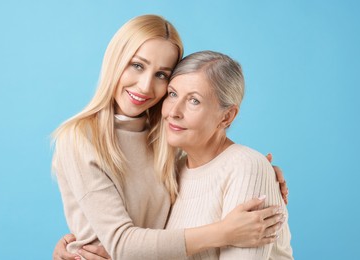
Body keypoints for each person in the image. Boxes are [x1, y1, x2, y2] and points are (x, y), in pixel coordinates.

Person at [52, 14, 288, 260]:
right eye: (138, 65)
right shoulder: (80, 138)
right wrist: (223, 232)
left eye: (162, 74)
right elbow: (121, 243)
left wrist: (256, 170)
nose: (145, 86)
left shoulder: (164, 139)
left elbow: (210, 169)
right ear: (115, 60)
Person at [162, 51, 293, 259]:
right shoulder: (172, 169)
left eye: (194, 101)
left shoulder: (247, 167)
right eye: (172, 94)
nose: (174, 111)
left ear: (227, 116)